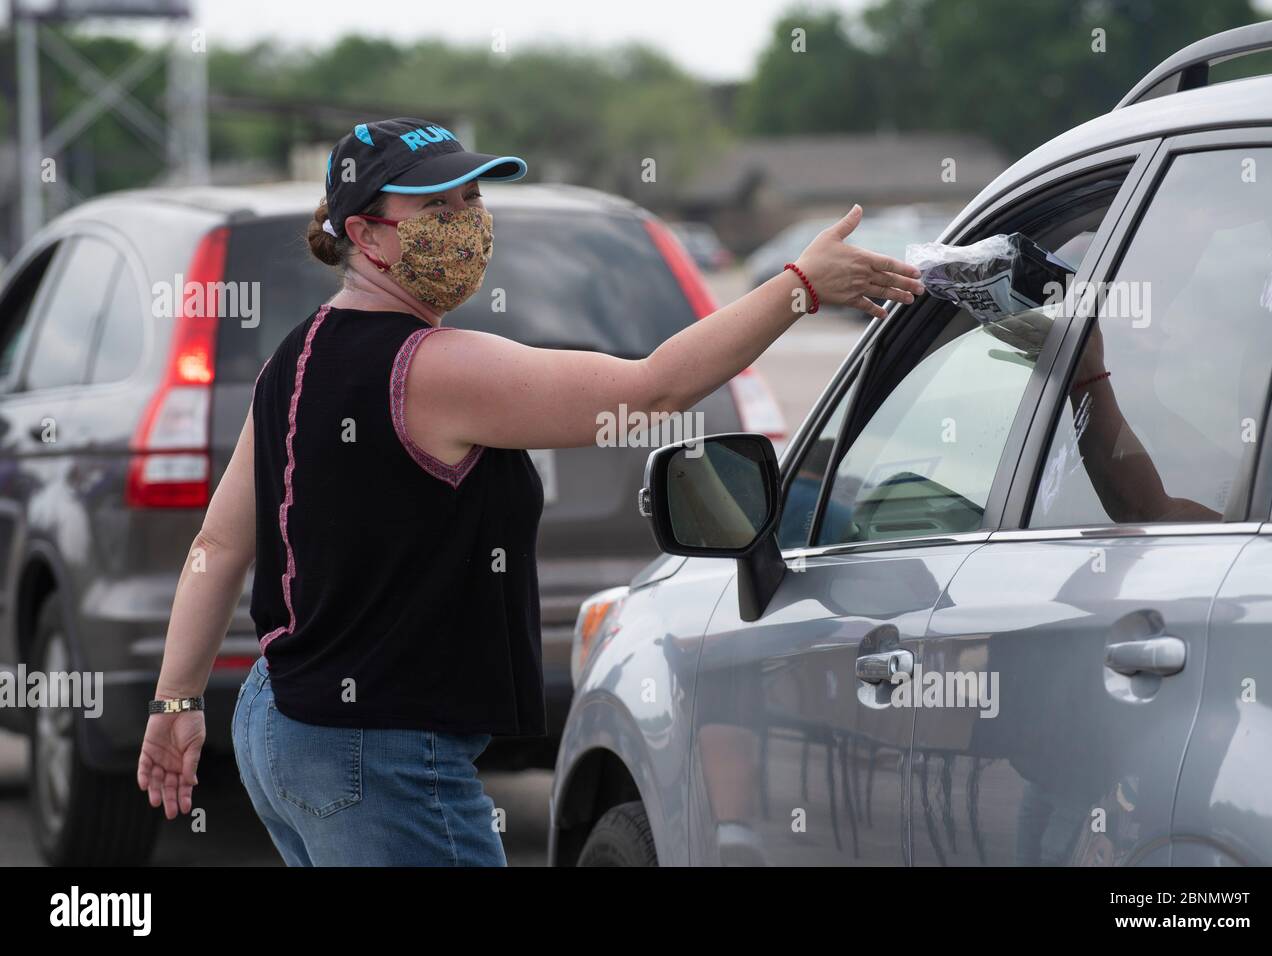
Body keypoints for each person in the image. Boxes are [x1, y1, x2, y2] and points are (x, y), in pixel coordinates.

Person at [135, 117, 924, 866]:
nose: (466, 221)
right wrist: (799, 288)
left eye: (472, 199)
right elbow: (651, 393)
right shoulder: (437, 368)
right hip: (375, 752)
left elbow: (219, 544)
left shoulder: (293, 359)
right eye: (436, 206)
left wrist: (177, 703)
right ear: (366, 235)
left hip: (281, 724)